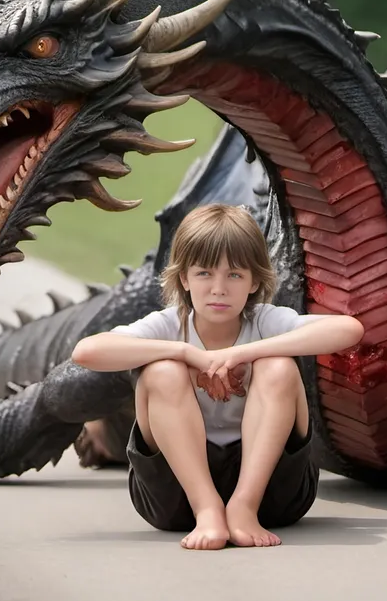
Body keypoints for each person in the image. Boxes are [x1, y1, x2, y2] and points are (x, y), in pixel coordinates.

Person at [71, 203, 364, 550]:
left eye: (235, 275)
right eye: (205, 274)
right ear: (184, 278)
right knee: (161, 371)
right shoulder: (169, 324)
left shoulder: (263, 321)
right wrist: (185, 353)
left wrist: (242, 353)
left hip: (274, 493)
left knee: (279, 365)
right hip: (176, 498)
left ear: (255, 280)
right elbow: (86, 352)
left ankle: (243, 507)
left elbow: (349, 329)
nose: (219, 288)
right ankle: (207, 508)